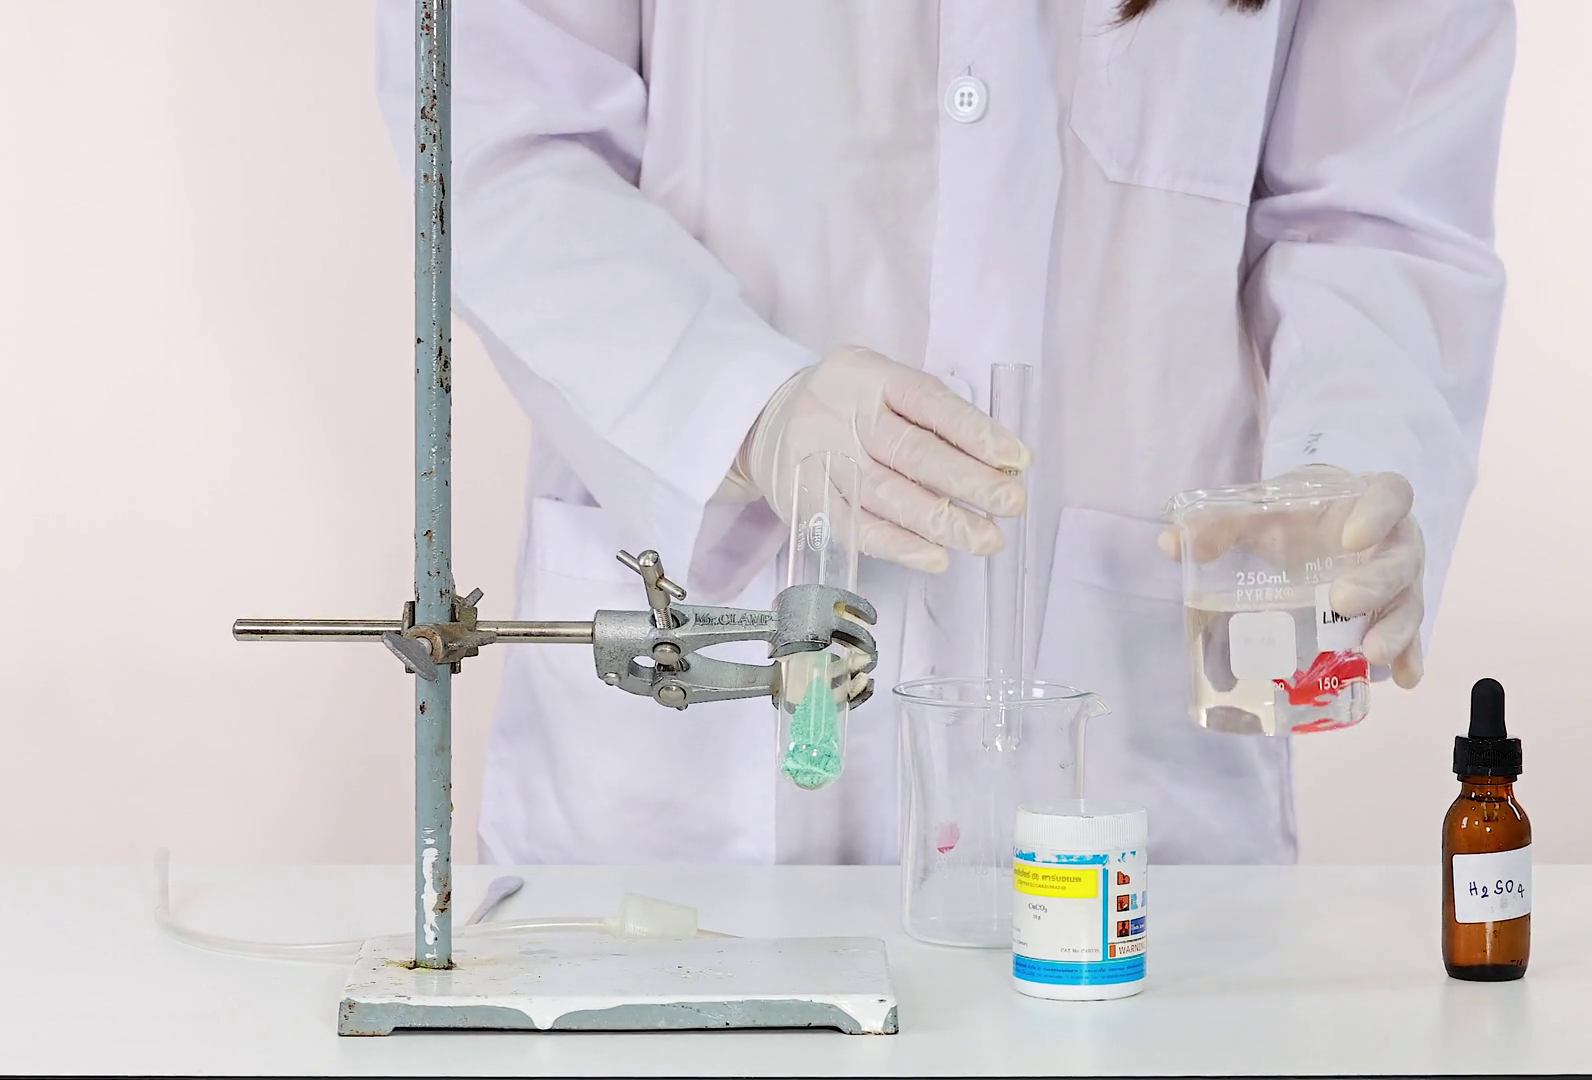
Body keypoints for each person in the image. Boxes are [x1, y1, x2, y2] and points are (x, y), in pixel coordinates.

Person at [373, 0, 1515, 866]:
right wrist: (736, 406)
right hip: (692, 775)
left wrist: (1345, 464)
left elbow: (1380, 217)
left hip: (1121, 755)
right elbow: (492, 122)